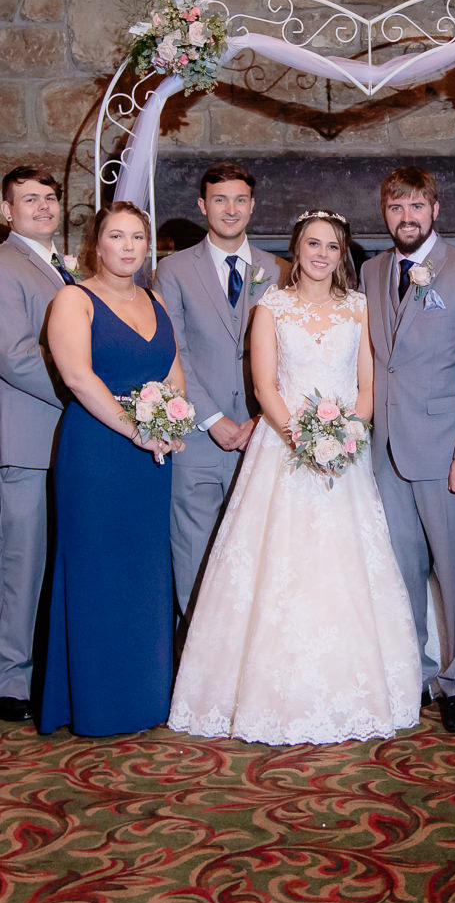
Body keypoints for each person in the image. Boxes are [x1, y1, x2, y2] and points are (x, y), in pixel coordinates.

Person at [170, 211, 421, 744]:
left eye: (332, 245)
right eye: (313, 243)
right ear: (296, 248)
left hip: (346, 451)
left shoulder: (359, 308)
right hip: (283, 449)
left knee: (345, 562)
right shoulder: (272, 307)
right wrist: (304, 440)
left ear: (341, 253)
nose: (322, 254)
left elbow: (367, 386)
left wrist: (345, 436)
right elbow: (265, 387)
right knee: (277, 563)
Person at [37, 200, 185, 737]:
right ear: (95, 246)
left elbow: (173, 374)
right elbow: (78, 377)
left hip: (153, 456)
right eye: (116, 236)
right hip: (99, 451)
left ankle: (145, 694)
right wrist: (137, 429)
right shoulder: (72, 298)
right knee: (97, 570)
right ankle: (97, 702)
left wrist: (173, 423)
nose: (127, 247)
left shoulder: (155, 298)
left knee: (145, 572)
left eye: (136, 237)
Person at [362, 166, 455, 734]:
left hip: (448, 452)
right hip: (385, 448)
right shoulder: (371, 271)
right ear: (386, 213)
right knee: (402, 570)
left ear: (435, 211)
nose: (407, 218)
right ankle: (416, 672)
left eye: (417, 207)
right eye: (397, 208)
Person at [0, 168, 73, 723]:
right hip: (18, 437)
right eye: (29, 199)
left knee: (51, 559)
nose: (42, 207)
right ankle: (9, 680)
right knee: (18, 562)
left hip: (58, 439)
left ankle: (46, 668)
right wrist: (87, 397)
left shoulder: (64, 267)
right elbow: (12, 355)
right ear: (7, 211)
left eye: (50, 198)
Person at [154, 162, 286, 618]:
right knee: (194, 550)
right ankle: (195, 661)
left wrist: (260, 419)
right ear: (202, 205)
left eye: (240, 200)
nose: (231, 209)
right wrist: (212, 419)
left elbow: (289, 353)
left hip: (263, 434)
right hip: (197, 437)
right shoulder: (171, 270)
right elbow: (175, 352)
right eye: (220, 199)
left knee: (258, 552)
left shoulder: (277, 269)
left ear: (252, 206)